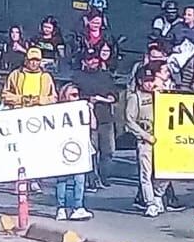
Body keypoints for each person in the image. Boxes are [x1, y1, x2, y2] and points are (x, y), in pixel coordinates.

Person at [126, 64, 167, 218]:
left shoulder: (160, 95)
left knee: (165, 172)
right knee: (146, 174)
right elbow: (130, 121)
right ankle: (150, 203)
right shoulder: (135, 97)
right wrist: (144, 135)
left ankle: (158, 195)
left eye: (151, 80)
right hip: (146, 140)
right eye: (146, 81)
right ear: (140, 81)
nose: (149, 84)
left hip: (163, 139)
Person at [74, 49, 118, 188]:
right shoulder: (77, 77)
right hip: (87, 120)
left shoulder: (106, 76)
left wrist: (110, 97)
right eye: (90, 59)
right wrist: (88, 98)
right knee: (92, 151)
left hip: (106, 119)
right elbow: (73, 95)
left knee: (108, 151)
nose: (93, 61)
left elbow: (114, 94)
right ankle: (92, 180)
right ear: (84, 61)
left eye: (95, 58)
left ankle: (104, 177)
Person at [52, 83, 94, 222]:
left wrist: (90, 110)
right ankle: (61, 208)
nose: (77, 98)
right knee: (62, 179)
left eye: (78, 95)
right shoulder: (57, 110)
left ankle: (78, 207)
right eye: (73, 95)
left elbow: (93, 126)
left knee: (80, 179)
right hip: (63, 147)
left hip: (79, 148)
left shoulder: (82, 109)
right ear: (65, 96)